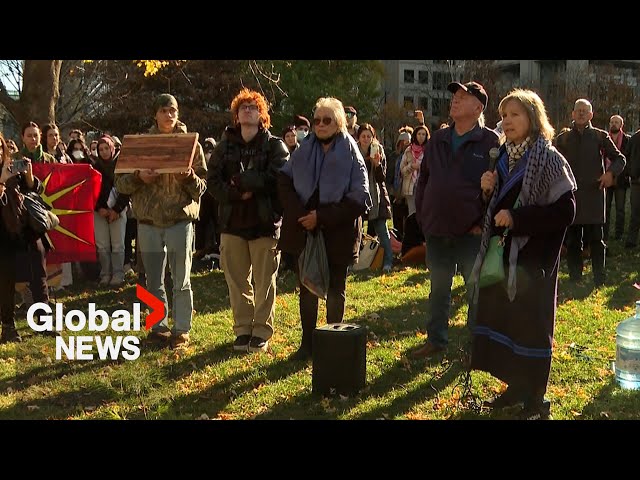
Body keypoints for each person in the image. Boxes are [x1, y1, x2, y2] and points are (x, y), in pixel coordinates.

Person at [468, 88, 577, 420]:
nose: (508, 121)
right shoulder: (503, 156)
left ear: (533, 117)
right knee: (508, 322)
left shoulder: (549, 158)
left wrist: (519, 219)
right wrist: (486, 193)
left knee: (532, 325)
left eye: (515, 114)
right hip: (505, 256)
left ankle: (536, 399)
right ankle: (515, 386)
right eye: (503, 116)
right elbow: (492, 211)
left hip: (535, 260)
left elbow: (566, 210)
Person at [278, 96, 371, 361]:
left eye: (327, 120)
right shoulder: (304, 149)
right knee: (307, 290)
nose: (320, 124)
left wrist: (322, 217)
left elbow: (359, 197)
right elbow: (284, 182)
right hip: (304, 231)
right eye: (317, 119)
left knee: (335, 291)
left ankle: (332, 345)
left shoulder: (351, 152)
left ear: (339, 122)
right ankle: (307, 345)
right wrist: (302, 215)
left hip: (339, 232)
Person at [412, 81, 499, 359]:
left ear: (478, 107)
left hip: (470, 232)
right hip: (437, 228)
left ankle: (477, 345)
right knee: (438, 288)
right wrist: (424, 215)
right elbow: (424, 179)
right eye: (454, 97)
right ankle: (436, 340)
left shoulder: (490, 142)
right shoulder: (438, 138)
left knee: (475, 290)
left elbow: (496, 188)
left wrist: (482, 222)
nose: (455, 101)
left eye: (463, 97)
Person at [115, 93, 207, 349]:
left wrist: (187, 177)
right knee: (153, 279)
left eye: (173, 110)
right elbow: (121, 184)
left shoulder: (191, 145)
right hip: (148, 222)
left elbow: (201, 188)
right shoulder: (140, 145)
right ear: (155, 114)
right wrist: (138, 177)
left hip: (180, 220)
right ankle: (158, 327)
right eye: (164, 110)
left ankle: (181, 330)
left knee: (181, 279)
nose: (169, 115)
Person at [208, 88, 289, 353]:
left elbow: (279, 179)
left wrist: (245, 181)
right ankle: (243, 329)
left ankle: (262, 331)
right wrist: (234, 193)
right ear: (236, 115)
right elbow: (213, 182)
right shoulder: (224, 145)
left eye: (252, 107)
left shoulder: (274, 145)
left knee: (265, 281)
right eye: (242, 107)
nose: (247, 110)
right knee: (237, 280)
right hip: (232, 223)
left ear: (261, 115)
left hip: (264, 223)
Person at [555, 99, 625, 287]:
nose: (581, 114)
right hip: (572, 196)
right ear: (572, 114)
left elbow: (620, 159)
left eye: (585, 111)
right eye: (578, 110)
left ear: (591, 115)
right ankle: (575, 278)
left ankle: (599, 278)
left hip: (595, 195)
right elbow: (551, 160)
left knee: (597, 241)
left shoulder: (600, 136)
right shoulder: (563, 138)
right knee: (573, 241)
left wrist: (610, 174)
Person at [356, 123, 393, 272]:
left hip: (377, 195)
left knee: (382, 230)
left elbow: (382, 178)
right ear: (359, 137)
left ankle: (388, 262)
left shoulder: (378, 150)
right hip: (358, 194)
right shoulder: (354, 150)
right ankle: (357, 261)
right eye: (363, 136)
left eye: (369, 136)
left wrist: (377, 165)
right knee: (357, 230)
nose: (366, 139)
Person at [94, 135, 130, 286]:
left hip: (118, 210)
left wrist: (116, 209)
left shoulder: (122, 166)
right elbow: (91, 190)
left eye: (106, 148)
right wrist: (100, 208)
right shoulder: (94, 167)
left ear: (112, 148)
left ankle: (118, 273)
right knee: (102, 244)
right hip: (100, 211)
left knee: (117, 244)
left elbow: (126, 189)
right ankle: (105, 273)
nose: (104, 152)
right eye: (100, 149)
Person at [604, 114, 631, 241]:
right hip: (606, 177)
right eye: (612, 122)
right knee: (606, 208)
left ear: (621, 125)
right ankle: (604, 233)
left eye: (616, 122)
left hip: (621, 179)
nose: (613, 124)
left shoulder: (627, 140)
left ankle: (619, 234)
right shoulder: (604, 138)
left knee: (620, 209)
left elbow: (628, 159)